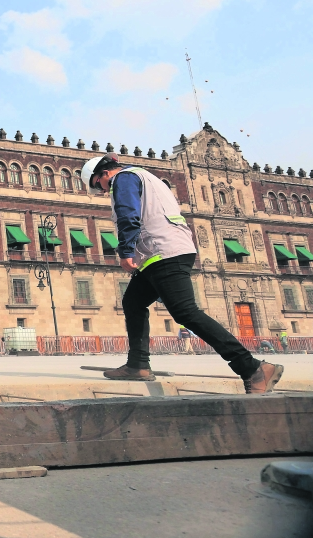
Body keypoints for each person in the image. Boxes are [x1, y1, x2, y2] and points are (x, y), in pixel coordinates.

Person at [80, 153, 282, 393]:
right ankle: (138, 365)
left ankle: (252, 368)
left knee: (185, 312)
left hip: (163, 251)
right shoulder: (147, 176)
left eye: (98, 185)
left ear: (104, 173)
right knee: (133, 302)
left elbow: (128, 215)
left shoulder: (122, 179)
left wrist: (125, 251)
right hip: (167, 251)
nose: (102, 191)